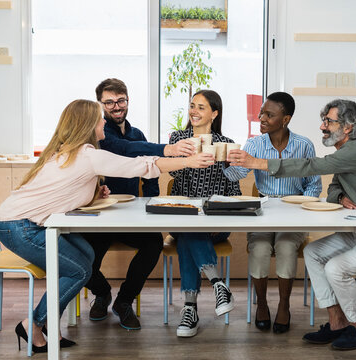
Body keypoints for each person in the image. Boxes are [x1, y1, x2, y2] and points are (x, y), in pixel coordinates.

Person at [0, 99, 213, 353]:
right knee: (77, 271)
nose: (104, 122)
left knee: (85, 258)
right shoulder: (88, 156)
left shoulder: (69, 153)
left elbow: (61, 192)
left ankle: (46, 324)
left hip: (21, 222)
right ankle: (34, 324)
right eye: (100, 118)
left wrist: (93, 193)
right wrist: (188, 161)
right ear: (88, 124)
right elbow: (141, 165)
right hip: (19, 226)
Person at [228, 99, 356, 350]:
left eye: (329, 121)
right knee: (313, 253)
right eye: (323, 120)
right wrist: (341, 197)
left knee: (336, 268)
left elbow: (313, 166)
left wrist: (258, 163)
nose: (322, 126)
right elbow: (334, 187)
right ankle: (337, 322)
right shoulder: (345, 153)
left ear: (347, 127)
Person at [83, 78, 196, 330]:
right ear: (101, 104)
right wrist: (169, 149)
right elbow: (125, 149)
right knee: (84, 260)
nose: (116, 106)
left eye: (120, 100)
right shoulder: (99, 135)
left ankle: (124, 301)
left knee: (153, 243)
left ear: (127, 100)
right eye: (109, 102)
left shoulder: (137, 134)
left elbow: (150, 170)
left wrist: (151, 202)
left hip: (131, 214)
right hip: (100, 214)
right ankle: (102, 294)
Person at [224, 92, 321, 334]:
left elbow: (314, 185)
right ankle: (263, 305)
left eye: (269, 114)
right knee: (259, 247)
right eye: (261, 113)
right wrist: (228, 163)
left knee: (287, 246)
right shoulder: (255, 145)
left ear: (285, 119)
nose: (261, 118)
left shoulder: (304, 145)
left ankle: (285, 305)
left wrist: (301, 206)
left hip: (294, 213)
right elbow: (235, 176)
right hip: (264, 210)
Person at [169, 89, 241, 338]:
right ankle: (218, 284)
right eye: (192, 105)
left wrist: (235, 165)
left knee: (190, 234)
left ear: (214, 113)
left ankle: (190, 309)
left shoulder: (225, 144)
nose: (194, 111)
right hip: (184, 217)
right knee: (190, 228)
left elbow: (233, 189)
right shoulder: (179, 138)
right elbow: (174, 176)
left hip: (216, 221)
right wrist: (187, 155)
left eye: (201, 107)